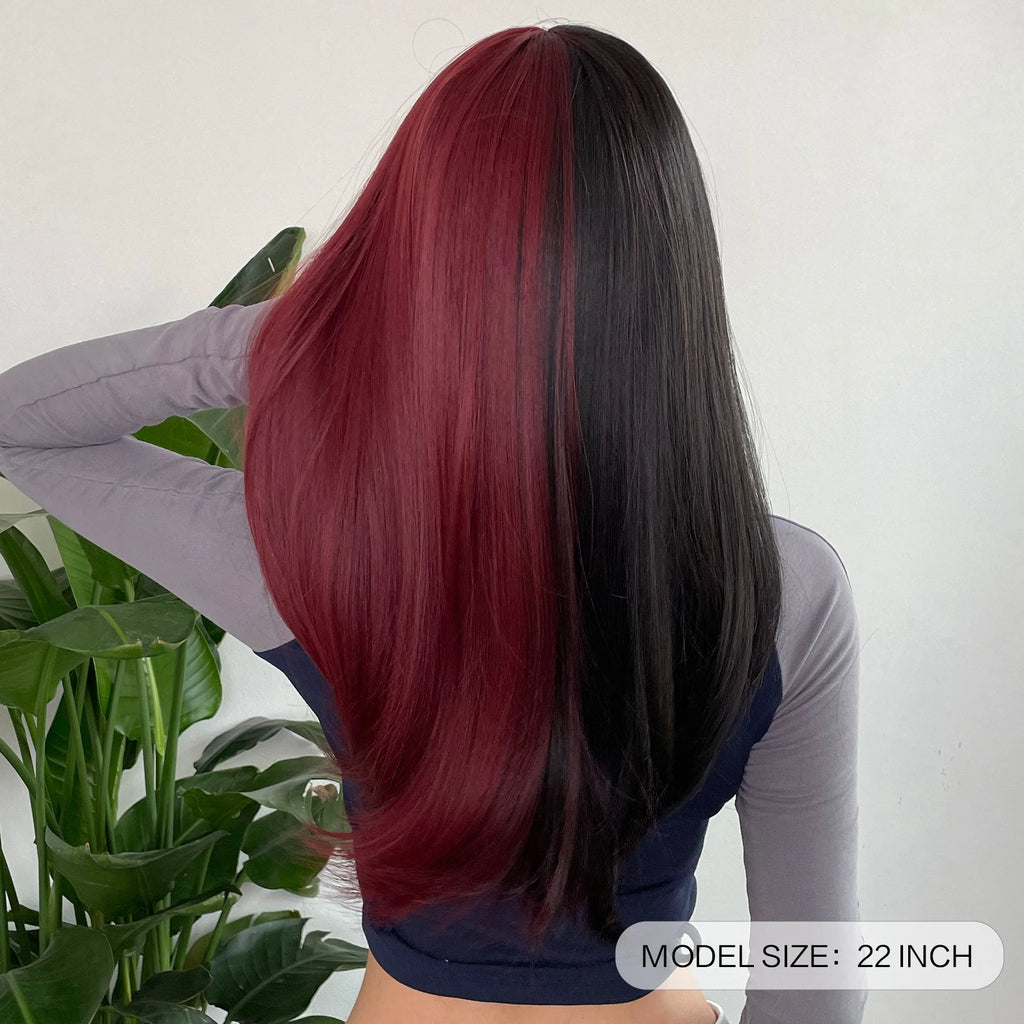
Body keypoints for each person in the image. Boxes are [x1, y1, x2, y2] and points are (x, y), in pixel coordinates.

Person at [0, 23, 866, 1024]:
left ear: (414, 259)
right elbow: (816, 981)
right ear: (672, 282)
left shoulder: (306, 558)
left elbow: (25, 426)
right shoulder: (786, 589)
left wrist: (308, 331)